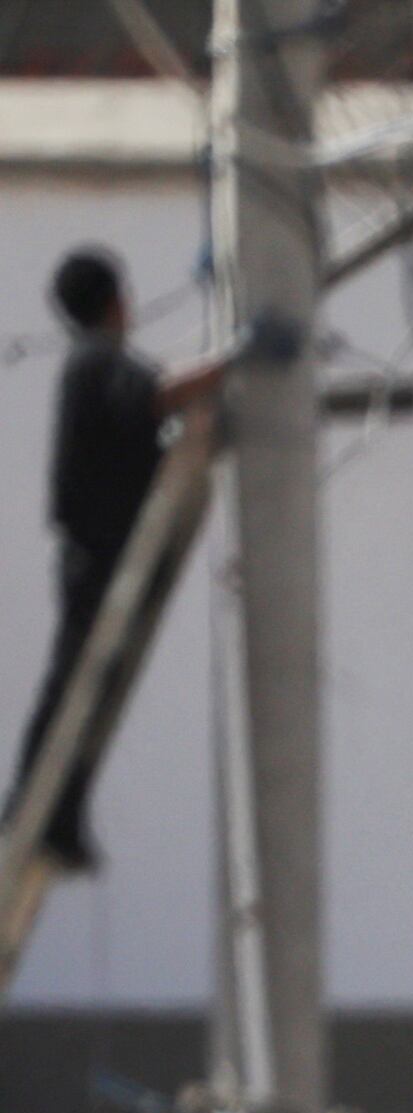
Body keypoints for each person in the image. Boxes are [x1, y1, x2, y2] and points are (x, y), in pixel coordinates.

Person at [15, 249, 211, 877]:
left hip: (96, 552)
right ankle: (37, 812)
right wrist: (243, 355)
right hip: (99, 556)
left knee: (82, 688)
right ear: (114, 302)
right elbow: (158, 394)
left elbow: (154, 396)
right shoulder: (98, 360)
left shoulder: (91, 364)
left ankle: (57, 815)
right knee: (77, 685)